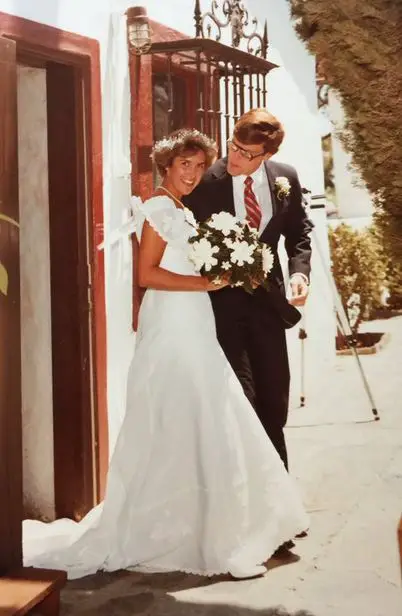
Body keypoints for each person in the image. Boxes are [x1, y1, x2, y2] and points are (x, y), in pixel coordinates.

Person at [23, 128, 308, 581]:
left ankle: (213, 521)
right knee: (200, 413)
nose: (193, 174)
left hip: (193, 317)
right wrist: (204, 283)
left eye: (198, 166)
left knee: (201, 416)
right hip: (174, 321)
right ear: (166, 167)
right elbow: (146, 273)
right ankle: (218, 539)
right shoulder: (159, 207)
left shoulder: (179, 206)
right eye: (184, 166)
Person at [185, 109, 313, 471]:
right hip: (221, 309)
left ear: (267, 155)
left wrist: (300, 272)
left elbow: (299, 231)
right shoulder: (206, 182)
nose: (235, 157)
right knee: (243, 399)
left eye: (246, 153)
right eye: (233, 147)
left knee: (274, 400)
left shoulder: (285, 178)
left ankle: (279, 497)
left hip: (269, 307)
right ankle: (257, 503)